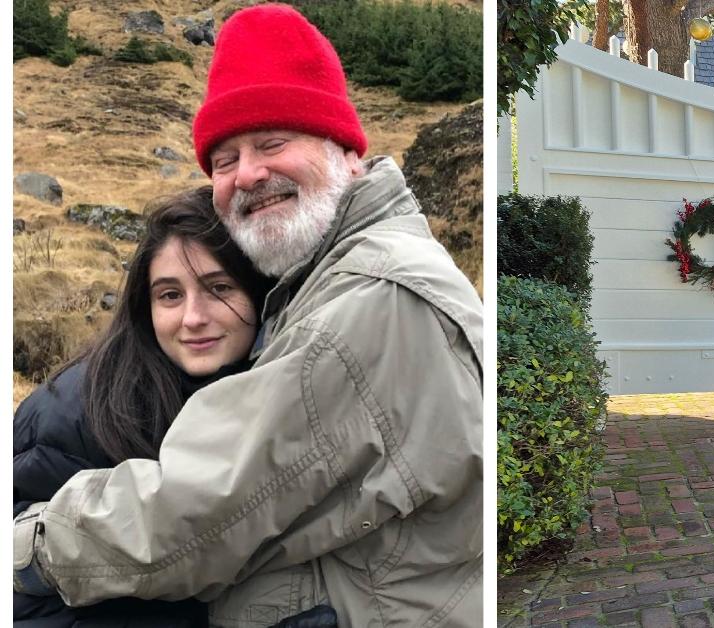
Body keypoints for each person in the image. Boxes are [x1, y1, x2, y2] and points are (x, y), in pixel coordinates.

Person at [14, 4, 484, 627]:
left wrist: (25, 545)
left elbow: (196, 515)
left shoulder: (368, 301)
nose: (250, 174)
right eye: (225, 159)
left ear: (346, 150)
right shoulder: (341, 274)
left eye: (272, 142)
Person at [14, 187, 273, 627]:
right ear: (144, 305)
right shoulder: (82, 412)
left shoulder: (272, 393)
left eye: (219, 288)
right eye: (170, 295)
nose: (193, 317)